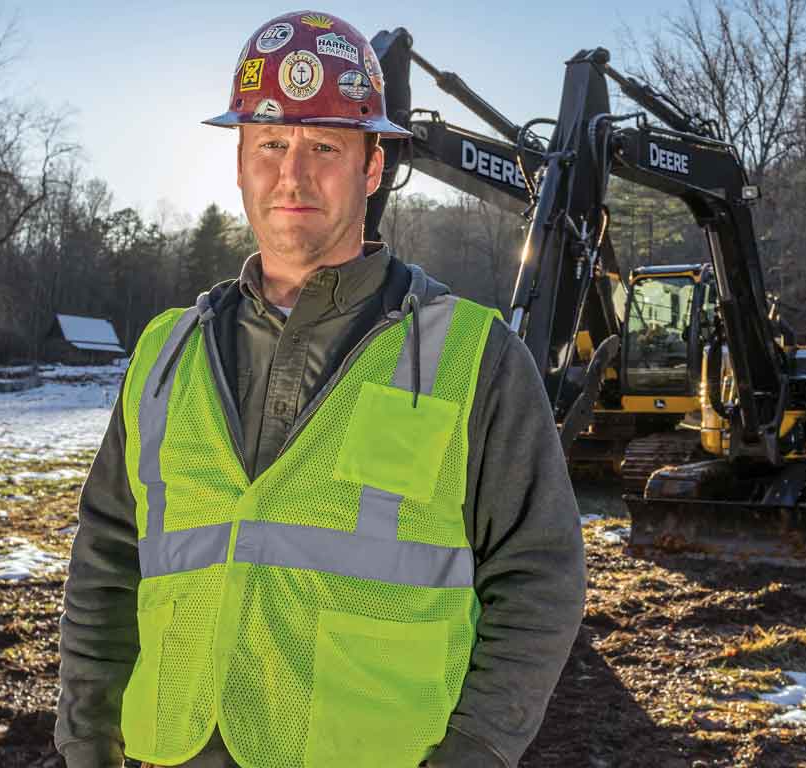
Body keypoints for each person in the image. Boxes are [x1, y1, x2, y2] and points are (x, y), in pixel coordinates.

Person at [53, 11, 586, 768]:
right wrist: (86, 742)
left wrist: (474, 752)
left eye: (325, 147)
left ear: (373, 169)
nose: (292, 175)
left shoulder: (473, 356)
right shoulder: (166, 352)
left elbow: (540, 577)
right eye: (270, 144)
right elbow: (108, 559)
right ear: (239, 162)